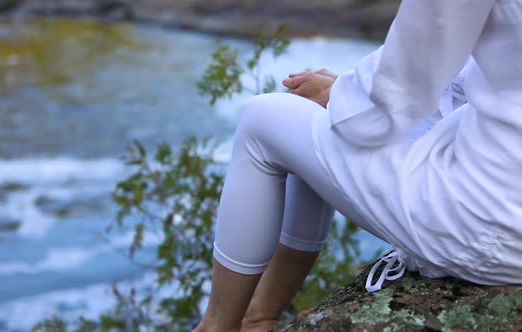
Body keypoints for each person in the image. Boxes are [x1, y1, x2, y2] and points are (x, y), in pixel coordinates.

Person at [194, 0, 522, 331]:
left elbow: (400, 85)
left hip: (493, 220)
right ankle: (257, 315)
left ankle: (220, 325)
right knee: (322, 116)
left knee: (261, 120)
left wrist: (343, 97)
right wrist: (347, 94)